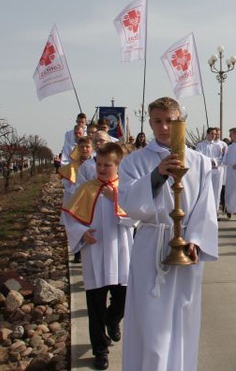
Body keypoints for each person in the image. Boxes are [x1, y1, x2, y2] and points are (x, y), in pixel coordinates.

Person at [118, 97, 218, 371]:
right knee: (152, 326)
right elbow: (127, 201)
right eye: (158, 121)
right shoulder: (135, 161)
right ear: (150, 123)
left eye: (170, 121)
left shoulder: (199, 161)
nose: (164, 127)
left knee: (183, 320)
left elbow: (205, 207)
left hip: (186, 247)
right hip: (152, 242)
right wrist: (156, 176)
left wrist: (196, 239)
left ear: (180, 121)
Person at [61, 142, 134, 370]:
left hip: (121, 253)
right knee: (95, 307)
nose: (101, 169)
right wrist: (82, 233)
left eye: (107, 165)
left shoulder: (125, 189)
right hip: (94, 254)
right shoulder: (86, 189)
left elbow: (138, 218)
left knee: (123, 299)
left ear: (118, 165)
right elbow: (68, 219)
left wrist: (116, 200)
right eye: (99, 164)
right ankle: (100, 350)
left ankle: (112, 321)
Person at [195, 127, 224, 211]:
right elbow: (198, 156)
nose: (213, 136)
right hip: (205, 171)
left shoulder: (218, 146)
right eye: (212, 134)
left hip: (216, 172)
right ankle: (204, 209)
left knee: (216, 191)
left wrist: (214, 161)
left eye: (215, 134)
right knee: (205, 190)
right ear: (207, 134)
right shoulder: (200, 145)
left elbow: (221, 158)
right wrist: (209, 160)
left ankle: (214, 210)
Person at [222, 127, 236, 220]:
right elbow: (225, 160)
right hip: (230, 173)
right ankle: (229, 210)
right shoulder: (230, 147)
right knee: (230, 192)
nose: (230, 136)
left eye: (231, 134)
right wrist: (224, 154)